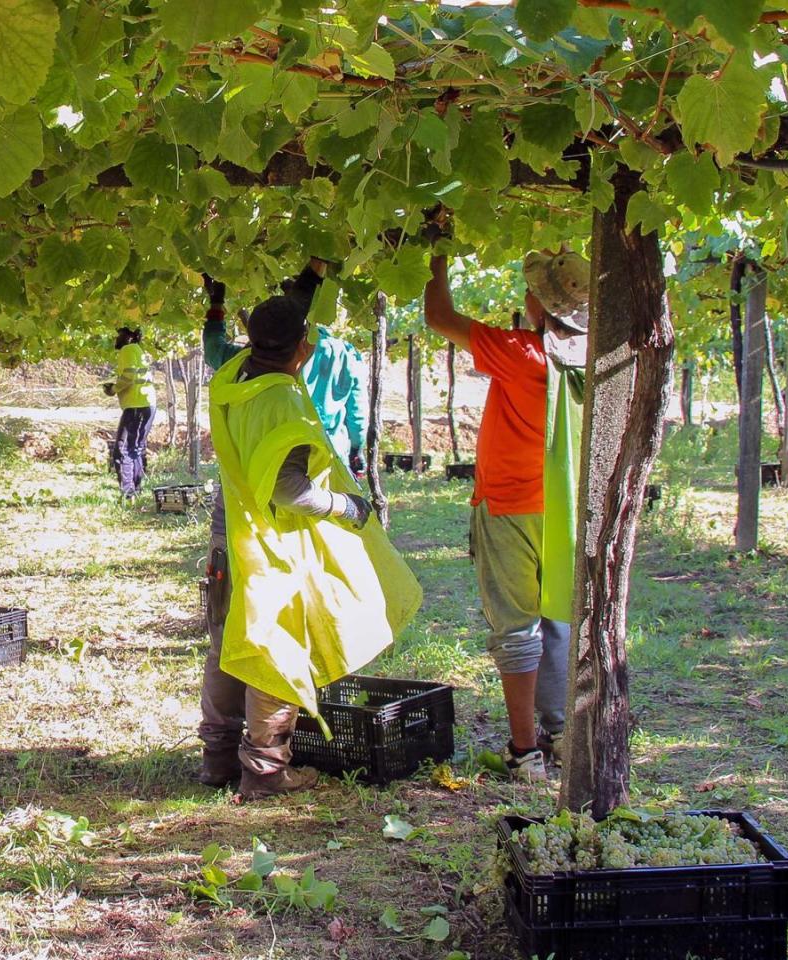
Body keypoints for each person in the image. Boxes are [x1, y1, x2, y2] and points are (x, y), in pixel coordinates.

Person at [201, 277, 421, 798]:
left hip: (229, 526)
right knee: (276, 647)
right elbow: (290, 491)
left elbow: (274, 325)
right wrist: (347, 506)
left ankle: (216, 760)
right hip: (271, 542)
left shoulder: (235, 374)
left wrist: (308, 280)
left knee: (230, 644)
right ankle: (265, 771)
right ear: (303, 346)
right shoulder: (284, 402)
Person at [423, 246, 589, 781]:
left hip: (510, 507)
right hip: (567, 511)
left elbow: (439, 318)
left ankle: (525, 754)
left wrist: (437, 258)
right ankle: (562, 733)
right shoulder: (595, 360)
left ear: (540, 306)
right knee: (560, 618)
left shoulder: (522, 353)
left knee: (517, 629)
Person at [202, 263, 370, 474]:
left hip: (253, 467)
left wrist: (216, 302)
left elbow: (212, 349)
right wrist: (357, 448)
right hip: (327, 461)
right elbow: (357, 413)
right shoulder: (343, 354)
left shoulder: (247, 360)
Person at [105, 327, 156, 499]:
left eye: (119, 335)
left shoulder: (127, 350)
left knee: (123, 450)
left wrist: (113, 389)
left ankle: (128, 493)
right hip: (148, 404)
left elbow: (129, 376)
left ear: (128, 338)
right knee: (136, 448)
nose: (116, 338)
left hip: (136, 405)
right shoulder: (138, 350)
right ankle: (136, 490)